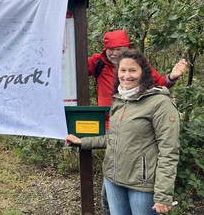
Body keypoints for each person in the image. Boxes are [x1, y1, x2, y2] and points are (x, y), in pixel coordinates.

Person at [67, 49, 180, 214]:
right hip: (113, 181)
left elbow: (169, 151)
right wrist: (83, 141)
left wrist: (163, 194)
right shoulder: (119, 100)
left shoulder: (160, 103)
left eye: (133, 70)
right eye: (123, 70)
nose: (127, 75)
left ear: (144, 72)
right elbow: (114, 138)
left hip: (142, 185)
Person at [88, 30, 187, 214]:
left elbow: (158, 83)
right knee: (111, 185)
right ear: (105, 50)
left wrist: (172, 77)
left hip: (137, 133)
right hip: (111, 127)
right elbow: (71, 66)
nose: (115, 53)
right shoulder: (98, 63)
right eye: (111, 49)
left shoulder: (155, 95)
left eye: (119, 49)